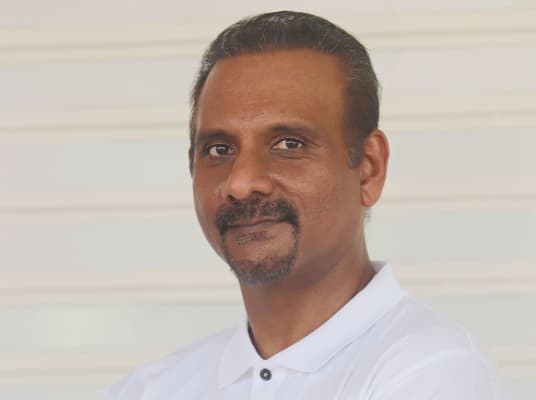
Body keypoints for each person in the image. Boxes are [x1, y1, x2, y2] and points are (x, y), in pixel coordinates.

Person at [104, 11, 505, 399]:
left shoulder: (433, 371)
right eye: (219, 149)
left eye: (288, 144)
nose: (241, 183)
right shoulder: (147, 389)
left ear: (369, 169)